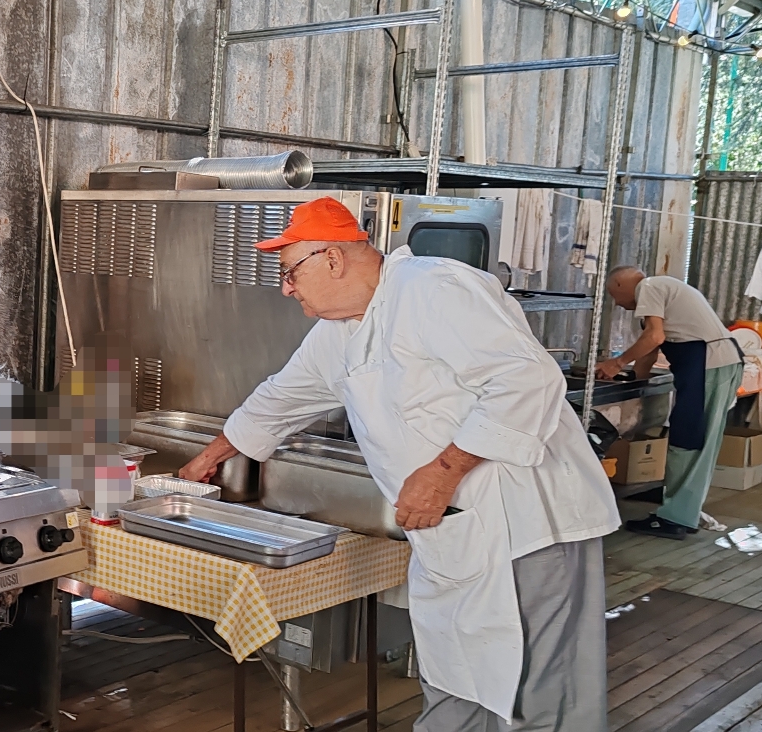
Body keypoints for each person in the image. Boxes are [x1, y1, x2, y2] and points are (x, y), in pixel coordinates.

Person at [178, 197, 618, 731]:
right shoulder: (340, 330)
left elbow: (526, 380)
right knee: (456, 672)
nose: (287, 289)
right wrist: (207, 460)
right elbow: (280, 399)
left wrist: (441, 473)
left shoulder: (433, 288)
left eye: (290, 272)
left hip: (528, 526)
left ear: (332, 259)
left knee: (539, 692)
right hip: (453, 536)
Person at [597, 265, 743, 539]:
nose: (616, 303)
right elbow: (649, 350)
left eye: (613, 295)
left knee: (693, 438)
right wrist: (635, 383)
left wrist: (616, 363)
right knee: (686, 434)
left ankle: (677, 518)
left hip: (709, 364)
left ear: (620, 285)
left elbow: (655, 337)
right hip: (708, 364)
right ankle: (678, 504)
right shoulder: (661, 294)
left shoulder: (649, 286)